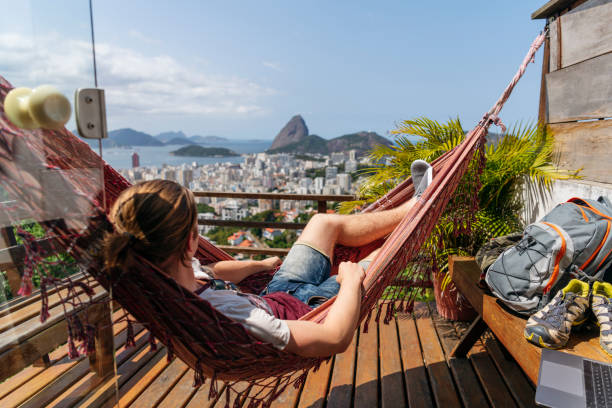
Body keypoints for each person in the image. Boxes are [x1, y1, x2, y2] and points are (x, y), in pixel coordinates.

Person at [104, 162, 431, 358]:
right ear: (191, 241)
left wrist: (260, 266)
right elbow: (334, 338)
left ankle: (410, 208)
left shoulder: (162, 270)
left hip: (275, 292)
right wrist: (351, 282)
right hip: (311, 311)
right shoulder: (232, 315)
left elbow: (214, 271)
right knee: (379, 256)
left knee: (322, 223)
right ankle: (416, 217)